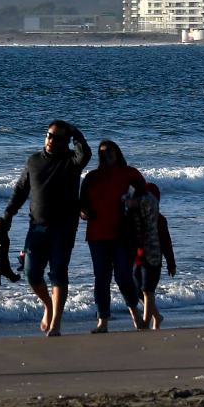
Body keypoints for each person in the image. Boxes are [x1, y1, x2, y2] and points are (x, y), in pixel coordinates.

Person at [0, 120, 91, 336]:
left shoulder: (71, 161)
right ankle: (48, 306)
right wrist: (8, 215)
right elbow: (20, 190)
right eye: (49, 135)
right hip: (36, 227)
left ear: (66, 142)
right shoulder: (34, 161)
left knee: (58, 273)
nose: (50, 140)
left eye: (57, 138)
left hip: (64, 228)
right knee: (31, 273)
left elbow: (85, 153)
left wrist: (75, 131)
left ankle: (56, 322)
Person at [79, 140, 148, 333]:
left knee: (122, 276)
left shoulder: (130, 173)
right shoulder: (91, 177)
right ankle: (102, 322)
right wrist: (83, 213)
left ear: (117, 153)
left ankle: (135, 313)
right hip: (97, 235)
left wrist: (136, 202)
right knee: (101, 278)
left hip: (123, 235)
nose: (105, 155)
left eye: (109, 152)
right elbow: (82, 206)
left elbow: (146, 196)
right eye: (101, 153)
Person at [127, 180, 175, 330]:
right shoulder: (134, 217)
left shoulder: (160, 220)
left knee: (148, 291)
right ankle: (157, 316)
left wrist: (171, 263)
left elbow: (166, 243)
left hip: (153, 260)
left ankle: (145, 324)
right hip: (137, 259)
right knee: (137, 293)